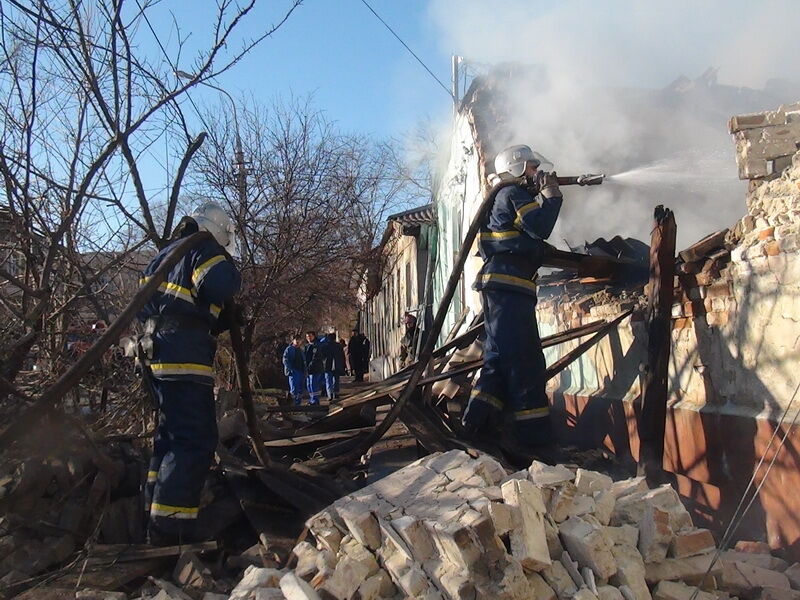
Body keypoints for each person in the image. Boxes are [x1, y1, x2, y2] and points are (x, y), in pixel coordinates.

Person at [139, 201, 241, 545]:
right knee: (195, 439)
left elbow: (177, 301)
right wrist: (229, 267)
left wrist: (219, 318)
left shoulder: (164, 255)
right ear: (215, 231)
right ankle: (172, 529)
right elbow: (220, 283)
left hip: (155, 351)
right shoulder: (204, 247)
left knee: (169, 435)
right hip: (183, 354)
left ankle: (152, 513)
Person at [461, 145, 563, 448]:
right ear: (518, 169)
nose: (537, 173)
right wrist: (553, 195)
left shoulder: (502, 197)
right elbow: (541, 226)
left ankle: (475, 428)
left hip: (503, 288)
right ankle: (533, 443)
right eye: (532, 167)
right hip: (509, 288)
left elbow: (523, 239)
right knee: (525, 362)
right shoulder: (513, 195)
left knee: (498, 361)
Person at [282, 334, 307, 405]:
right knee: (294, 388)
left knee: (300, 388)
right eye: (296, 340)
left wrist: (305, 371)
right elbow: (285, 360)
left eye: (299, 340)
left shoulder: (301, 350)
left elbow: (304, 361)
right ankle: (293, 403)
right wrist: (290, 368)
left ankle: (298, 403)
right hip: (293, 371)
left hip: (301, 371)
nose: (298, 342)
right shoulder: (289, 349)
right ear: (293, 341)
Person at [322, 331, 346, 400]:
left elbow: (322, 356)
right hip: (337, 365)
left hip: (327, 365)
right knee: (336, 380)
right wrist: (343, 365)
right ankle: (336, 393)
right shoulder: (338, 346)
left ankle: (330, 394)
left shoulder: (325, 346)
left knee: (328, 380)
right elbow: (342, 356)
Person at [304, 331, 324, 405]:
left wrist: (309, 366)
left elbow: (316, 358)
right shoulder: (307, 346)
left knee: (313, 385)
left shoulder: (317, 345)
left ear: (313, 336)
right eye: (307, 336)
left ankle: (315, 400)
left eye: (310, 336)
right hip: (308, 369)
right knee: (309, 385)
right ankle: (312, 399)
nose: (308, 338)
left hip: (315, 369)